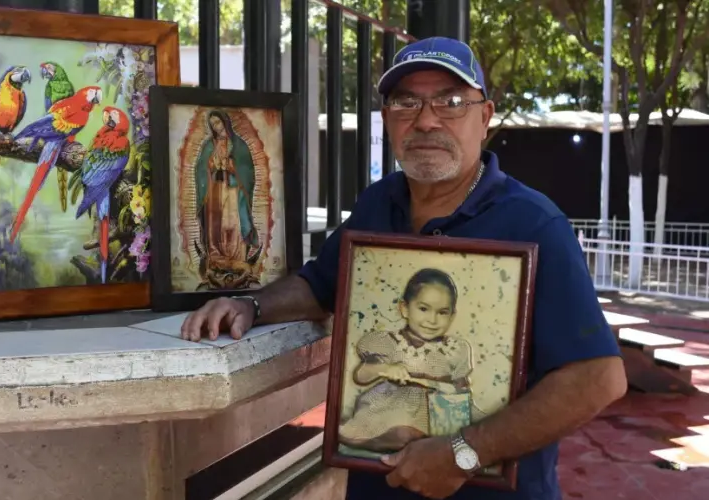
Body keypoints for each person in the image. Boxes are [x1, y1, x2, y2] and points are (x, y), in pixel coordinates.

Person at [180, 36, 626, 500]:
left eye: (451, 102)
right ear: (388, 118)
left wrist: (463, 453)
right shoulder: (380, 201)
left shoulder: (535, 224)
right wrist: (250, 304)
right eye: (406, 102)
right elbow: (321, 284)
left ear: (485, 117)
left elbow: (597, 378)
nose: (426, 119)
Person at [339, 268, 474, 453]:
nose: (432, 320)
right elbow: (361, 375)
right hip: (391, 406)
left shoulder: (455, 349)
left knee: (437, 440)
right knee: (397, 430)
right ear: (404, 308)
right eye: (423, 309)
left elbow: (461, 385)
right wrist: (384, 368)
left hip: (436, 411)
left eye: (442, 312)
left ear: (452, 316)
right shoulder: (388, 342)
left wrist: (456, 391)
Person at [195, 109, 259, 265]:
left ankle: (237, 258)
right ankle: (215, 256)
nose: (216, 127)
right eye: (212, 125)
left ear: (225, 121)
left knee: (232, 223)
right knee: (216, 224)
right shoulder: (209, 145)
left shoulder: (239, 145)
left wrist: (233, 167)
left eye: (218, 122)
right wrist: (210, 165)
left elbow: (247, 170)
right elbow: (200, 168)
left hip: (233, 190)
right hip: (215, 190)